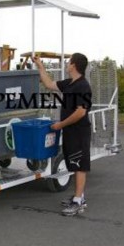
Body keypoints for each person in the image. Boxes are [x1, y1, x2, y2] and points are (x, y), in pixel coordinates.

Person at [33, 53, 92, 216]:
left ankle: (78, 201)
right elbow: (49, 84)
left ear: (74, 65)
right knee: (73, 163)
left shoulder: (83, 86)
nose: (66, 63)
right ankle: (79, 197)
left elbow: (80, 112)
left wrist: (60, 124)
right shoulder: (69, 83)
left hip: (79, 132)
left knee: (79, 166)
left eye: (68, 61)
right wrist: (40, 66)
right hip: (70, 131)